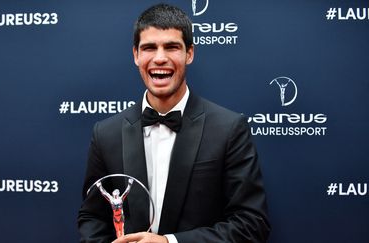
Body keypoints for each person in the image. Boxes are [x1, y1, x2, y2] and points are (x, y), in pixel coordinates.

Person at [78, 3, 270, 243]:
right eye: (149, 47)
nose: (160, 58)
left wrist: (169, 242)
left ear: (189, 53)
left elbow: (251, 224)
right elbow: (92, 218)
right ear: (136, 55)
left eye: (171, 47)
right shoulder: (106, 133)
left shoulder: (229, 129)